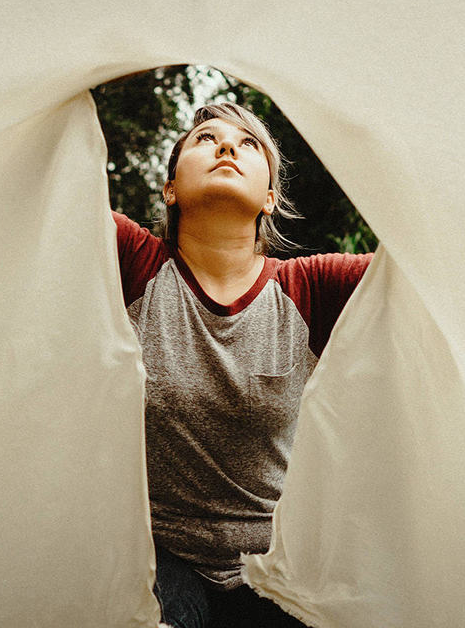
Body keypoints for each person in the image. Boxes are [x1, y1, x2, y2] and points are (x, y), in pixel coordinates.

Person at [113, 101, 372, 628]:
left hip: (273, 567)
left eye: (249, 144)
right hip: (156, 554)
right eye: (205, 139)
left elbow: (427, 260)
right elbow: (50, 180)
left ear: (270, 198)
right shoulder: (133, 263)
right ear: (170, 189)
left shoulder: (312, 287)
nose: (228, 146)